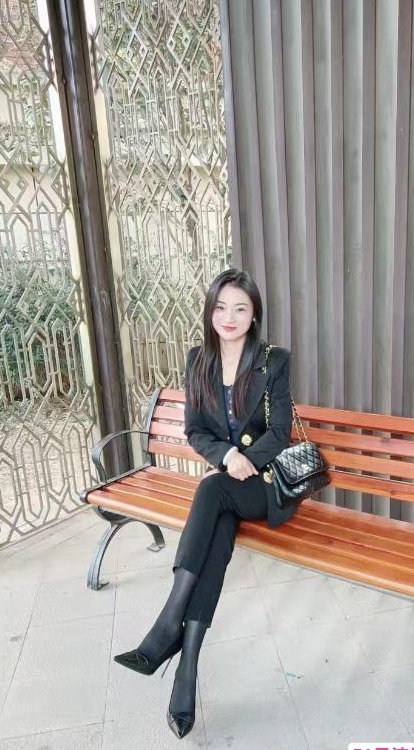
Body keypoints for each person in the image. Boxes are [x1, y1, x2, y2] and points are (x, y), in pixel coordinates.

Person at [113, 268, 297, 739]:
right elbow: (195, 430)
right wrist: (226, 456)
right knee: (217, 532)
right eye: (220, 307)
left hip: (264, 484)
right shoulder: (199, 360)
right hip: (227, 483)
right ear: (210, 311)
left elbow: (280, 433)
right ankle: (187, 667)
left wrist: (242, 461)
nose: (228, 317)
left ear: (254, 314)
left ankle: (167, 624)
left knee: (211, 491)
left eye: (240, 308)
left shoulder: (273, 362)